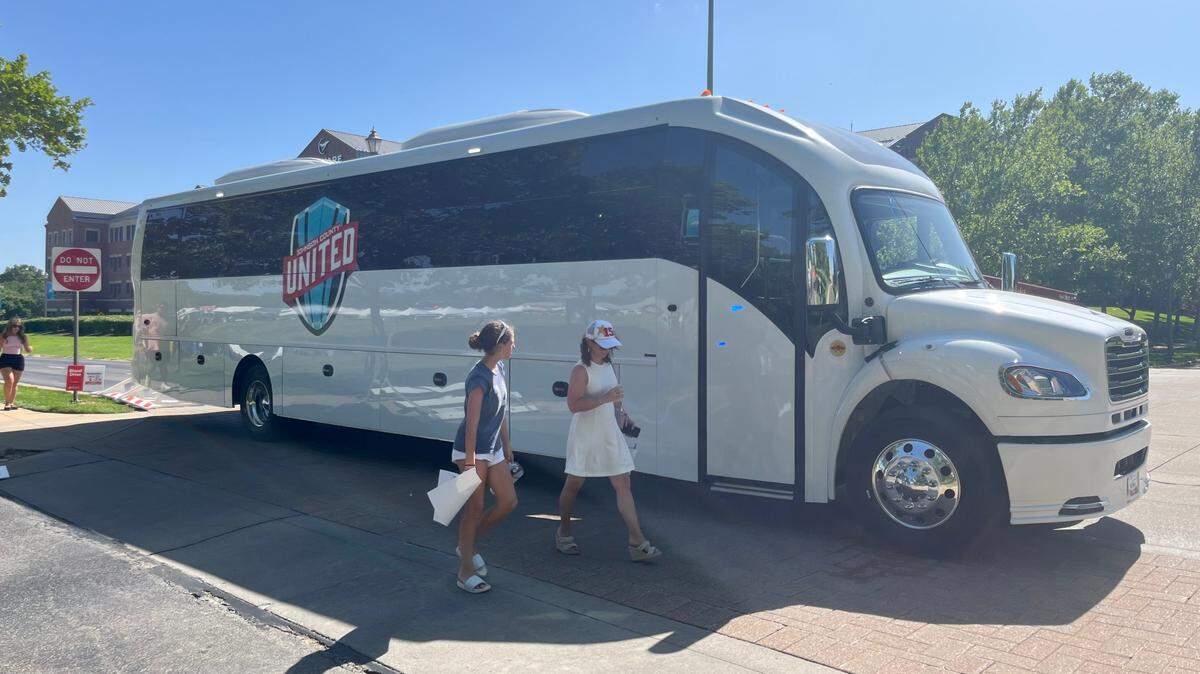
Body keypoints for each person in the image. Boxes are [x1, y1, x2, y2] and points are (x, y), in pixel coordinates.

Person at [556, 320, 661, 562]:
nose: (606, 350)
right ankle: (563, 532)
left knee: (623, 484)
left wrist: (623, 415)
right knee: (574, 484)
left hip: (609, 432)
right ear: (589, 343)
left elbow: (613, 400)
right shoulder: (580, 370)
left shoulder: (607, 365)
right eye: (602, 346)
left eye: (609, 346)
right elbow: (573, 405)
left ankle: (637, 541)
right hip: (585, 434)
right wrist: (606, 399)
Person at [451, 320, 519, 594]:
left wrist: (507, 442)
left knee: (508, 501)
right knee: (475, 508)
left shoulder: (499, 368)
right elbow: (471, 424)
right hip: (473, 449)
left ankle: (466, 546)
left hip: (493, 449)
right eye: (512, 342)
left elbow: (501, 410)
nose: (514, 346)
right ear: (501, 345)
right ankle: (465, 571)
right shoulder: (478, 378)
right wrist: (469, 462)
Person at [1, 318, 33, 411]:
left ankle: (11, 403)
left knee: (15, 383)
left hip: (18, 359)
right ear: (10, 326)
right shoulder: (3, 336)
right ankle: (7, 403)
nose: (16, 328)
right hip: (5, 358)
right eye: (14, 325)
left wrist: (30, 348)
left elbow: (27, 349)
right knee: (9, 380)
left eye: (19, 326)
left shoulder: (23, 336)